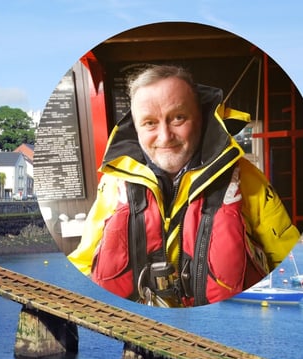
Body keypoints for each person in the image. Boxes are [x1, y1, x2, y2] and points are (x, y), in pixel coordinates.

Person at [68, 64, 300, 307]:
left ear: (199, 118)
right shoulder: (115, 184)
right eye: (149, 123)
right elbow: (84, 262)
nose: (165, 136)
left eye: (178, 118)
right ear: (135, 129)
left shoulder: (243, 177)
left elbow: (289, 259)